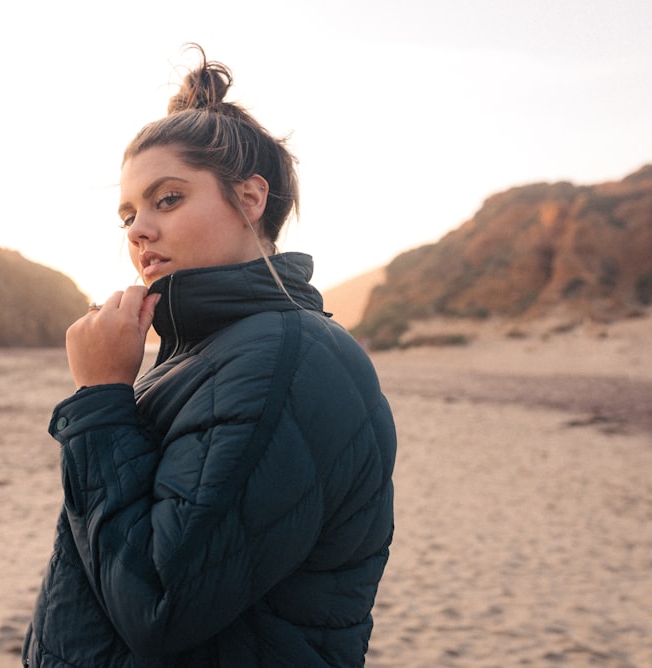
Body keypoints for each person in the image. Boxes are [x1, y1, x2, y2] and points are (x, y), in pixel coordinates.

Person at [23, 45, 396, 667]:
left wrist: (100, 399)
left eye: (167, 199)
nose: (139, 229)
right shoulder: (209, 353)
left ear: (251, 199)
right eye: (128, 213)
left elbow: (161, 603)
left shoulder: (285, 359)